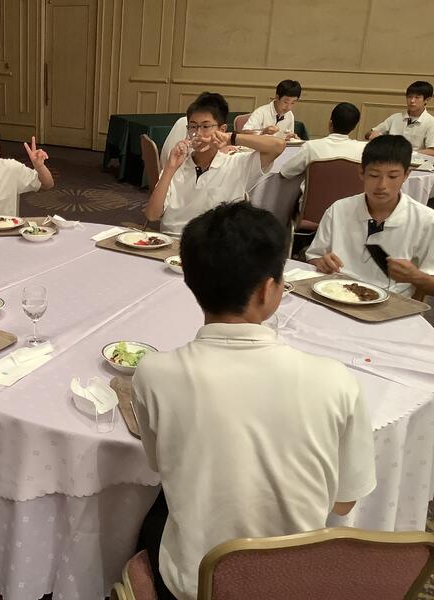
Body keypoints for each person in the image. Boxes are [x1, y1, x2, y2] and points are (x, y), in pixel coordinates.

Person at [133, 201, 377, 600]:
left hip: (197, 586)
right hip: (295, 585)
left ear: (190, 282)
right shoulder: (336, 381)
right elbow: (345, 502)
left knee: (152, 513)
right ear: (268, 289)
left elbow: (160, 465)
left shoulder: (153, 373)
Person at [306, 135, 434, 298]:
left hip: (392, 301)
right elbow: (314, 257)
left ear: (406, 175)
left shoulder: (426, 220)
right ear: (361, 172)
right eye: (374, 175)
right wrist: (321, 262)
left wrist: (415, 276)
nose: (382, 185)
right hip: (337, 292)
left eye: (392, 176)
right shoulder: (339, 209)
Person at [143, 93, 284, 236]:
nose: (198, 133)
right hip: (173, 239)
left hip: (215, 244)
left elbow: (278, 146)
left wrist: (232, 138)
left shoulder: (236, 163)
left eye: (205, 126)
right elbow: (152, 215)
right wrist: (169, 168)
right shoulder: (177, 166)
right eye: (193, 126)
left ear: (222, 130)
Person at [280, 102, 366, 179]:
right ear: (354, 127)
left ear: (330, 123)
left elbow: (285, 172)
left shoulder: (311, 146)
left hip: (314, 192)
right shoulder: (363, 149)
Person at [367, 81, 434, 156]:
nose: (412, 101)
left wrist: (407, 153)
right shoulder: (395, 117)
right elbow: (369, 133)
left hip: (415, 161)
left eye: (417, 97)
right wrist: (373, 134)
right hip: (389, 158)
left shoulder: (431, 122)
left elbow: (432, 151)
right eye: (409, 97)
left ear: (427, 100)